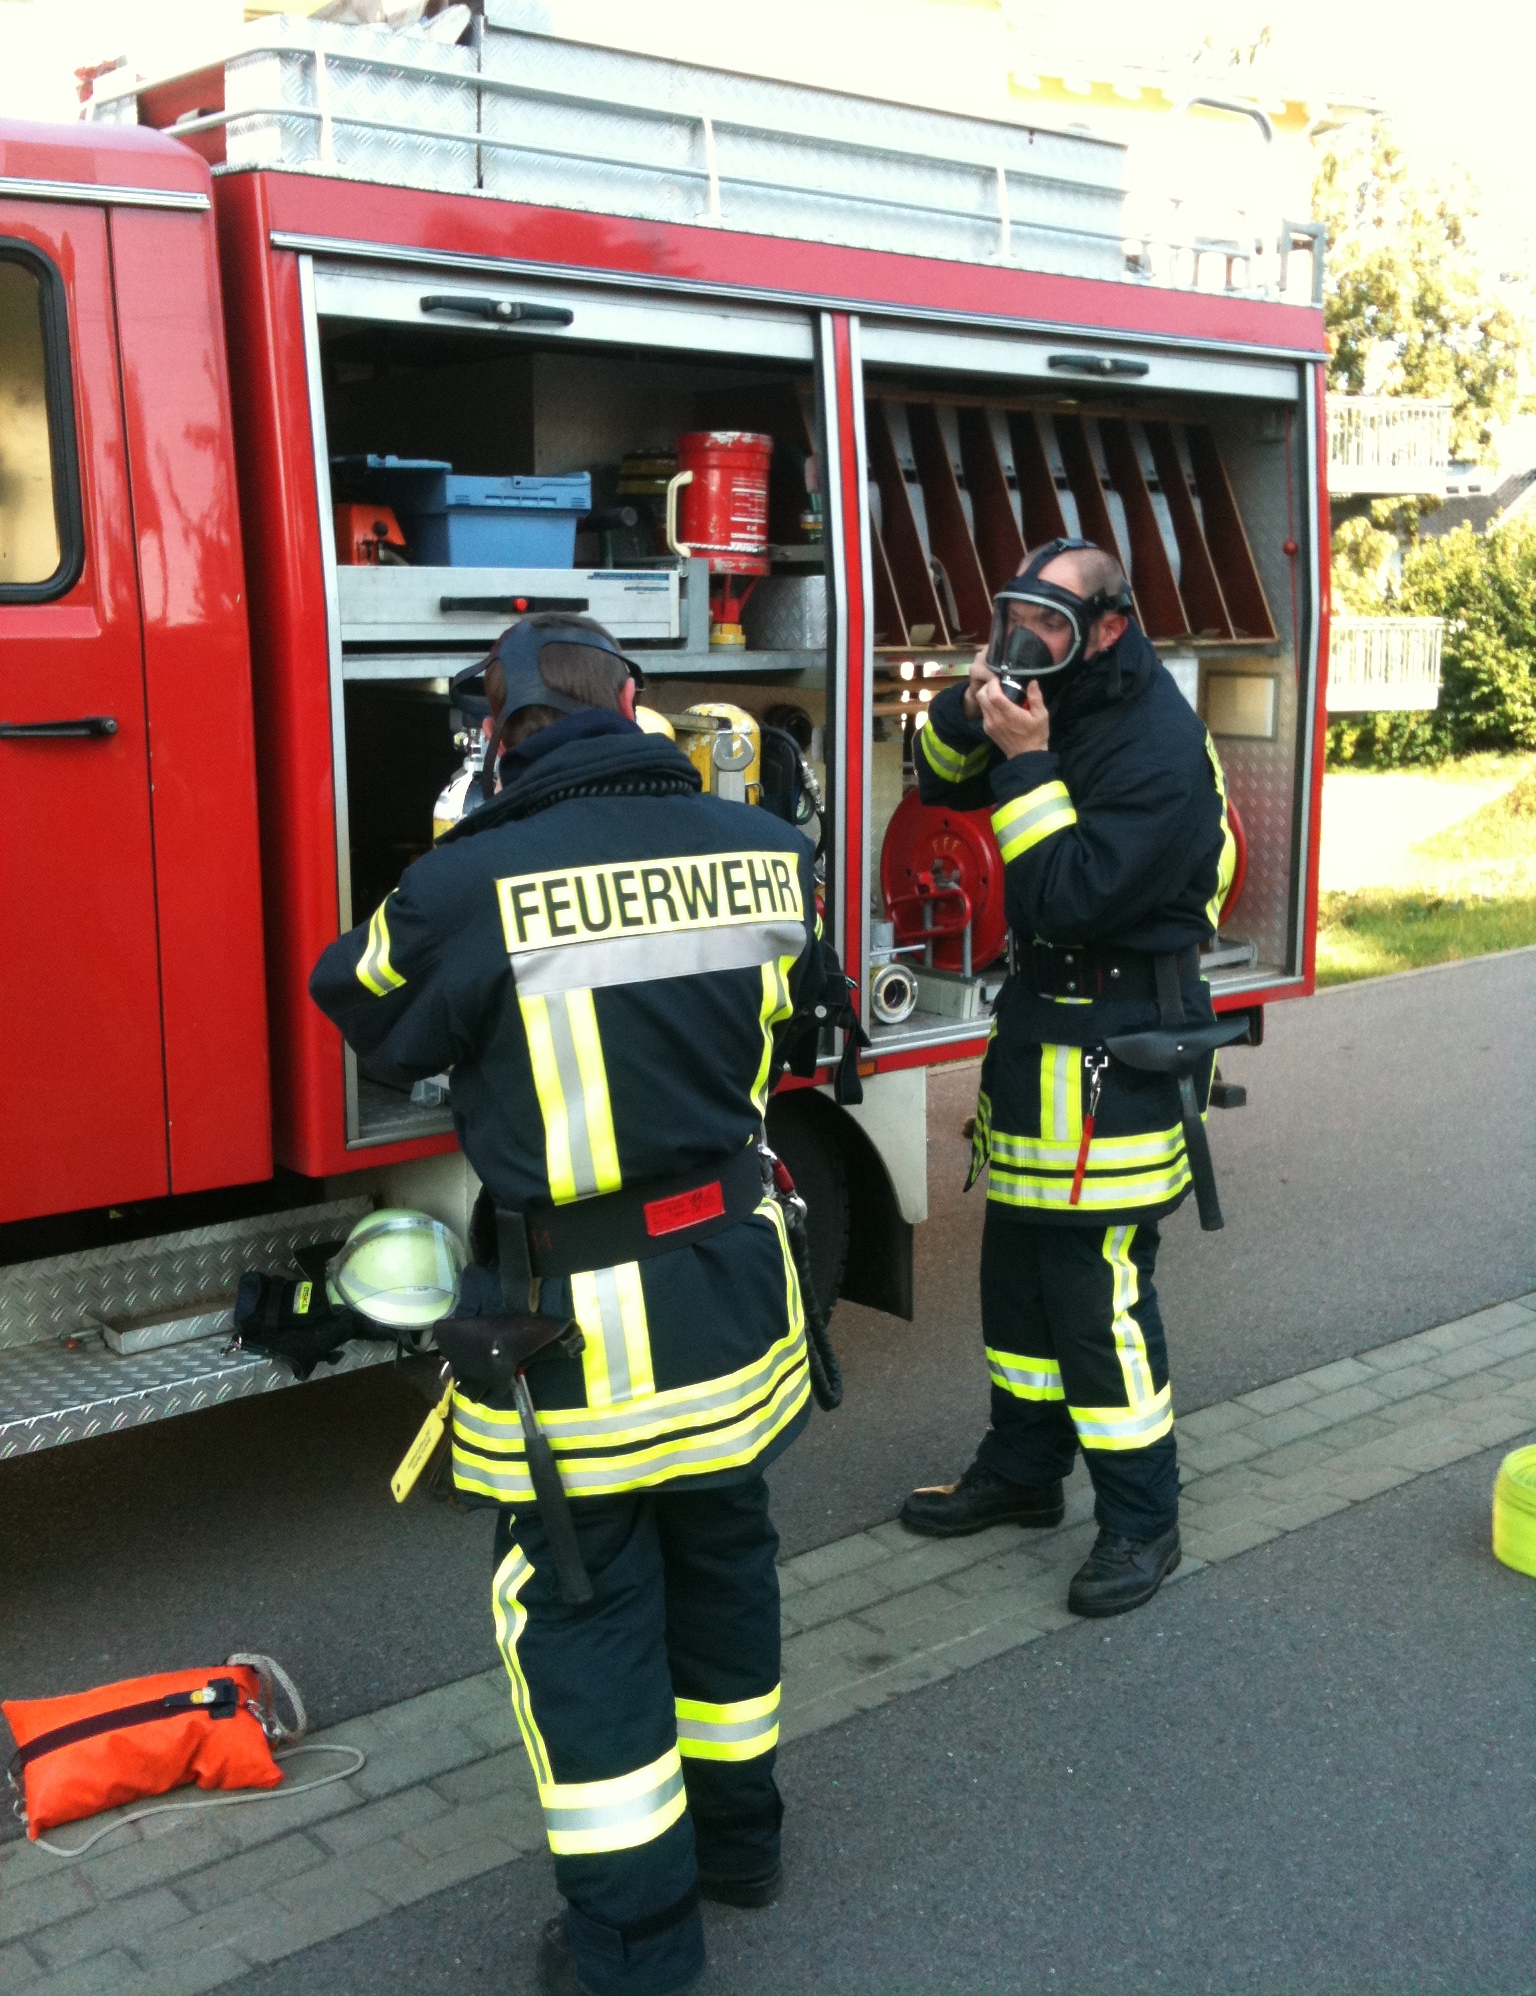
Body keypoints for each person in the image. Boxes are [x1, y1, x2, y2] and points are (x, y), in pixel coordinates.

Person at [310, 615, 825, 1996]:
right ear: (637, 709)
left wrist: (450, 841)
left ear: (500, 731)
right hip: (733, 1294)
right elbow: (805, 1016)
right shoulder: (766, 852)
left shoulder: (466, 879)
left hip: (573, 1330)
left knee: (583, 1613)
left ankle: (636, 1946)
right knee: (724, 1558)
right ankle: (743, 1846)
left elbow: (358, 1000)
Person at [900, 540, 1234, 1617]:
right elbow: (937, 779)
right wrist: (967, 711)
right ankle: (1024, 1470)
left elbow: (1065, 896)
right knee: (1019, 1286)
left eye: (1046, 620)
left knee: (1100, 1303)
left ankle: (1142, 1518)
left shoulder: (1159, 746)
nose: (1022, 636)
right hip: (1044, 1030)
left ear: (1108, 626)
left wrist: (1032, 765)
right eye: (1012, 611)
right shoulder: (1046, 689)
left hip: (1125, 1036)